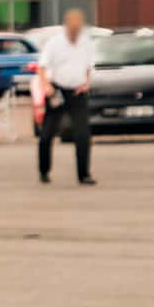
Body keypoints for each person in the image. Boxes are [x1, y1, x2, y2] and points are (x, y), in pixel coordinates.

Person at [35, 10, 96, 186]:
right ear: (67, 25)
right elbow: (42, 67)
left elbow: (88, 66)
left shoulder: (86, 43)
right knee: (47, 133)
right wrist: (46, 86)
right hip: (57, 90)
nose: (76, 30)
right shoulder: (55, 43)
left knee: (82, 133)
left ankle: (84, 174)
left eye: (79, 27)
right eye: (73, 26)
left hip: (77, 91)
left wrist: (86, 83)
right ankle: (44, 170)